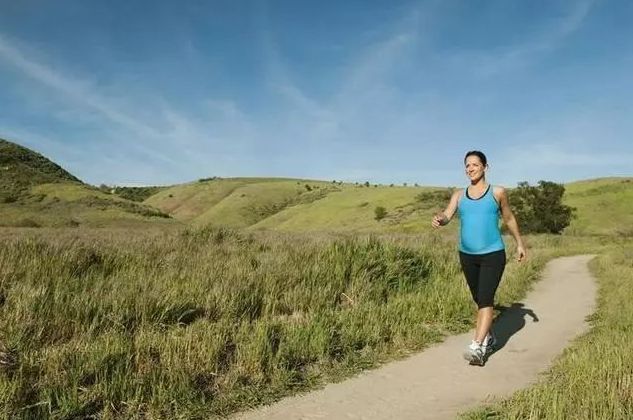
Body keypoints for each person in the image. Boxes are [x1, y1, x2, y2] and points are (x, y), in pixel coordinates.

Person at [431, 150, 526, 366]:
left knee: (485, 298)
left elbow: (509, 218)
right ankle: (489, 338)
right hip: (467, 255)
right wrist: (440, 218)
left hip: (492, 254)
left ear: (485, 167)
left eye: (475, 164)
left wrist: (520, 243)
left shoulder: (498, 193)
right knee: (479, 299)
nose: (470, 168)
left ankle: (477, 346)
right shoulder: (459, 194)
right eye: (467, 165)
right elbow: (448, 215)